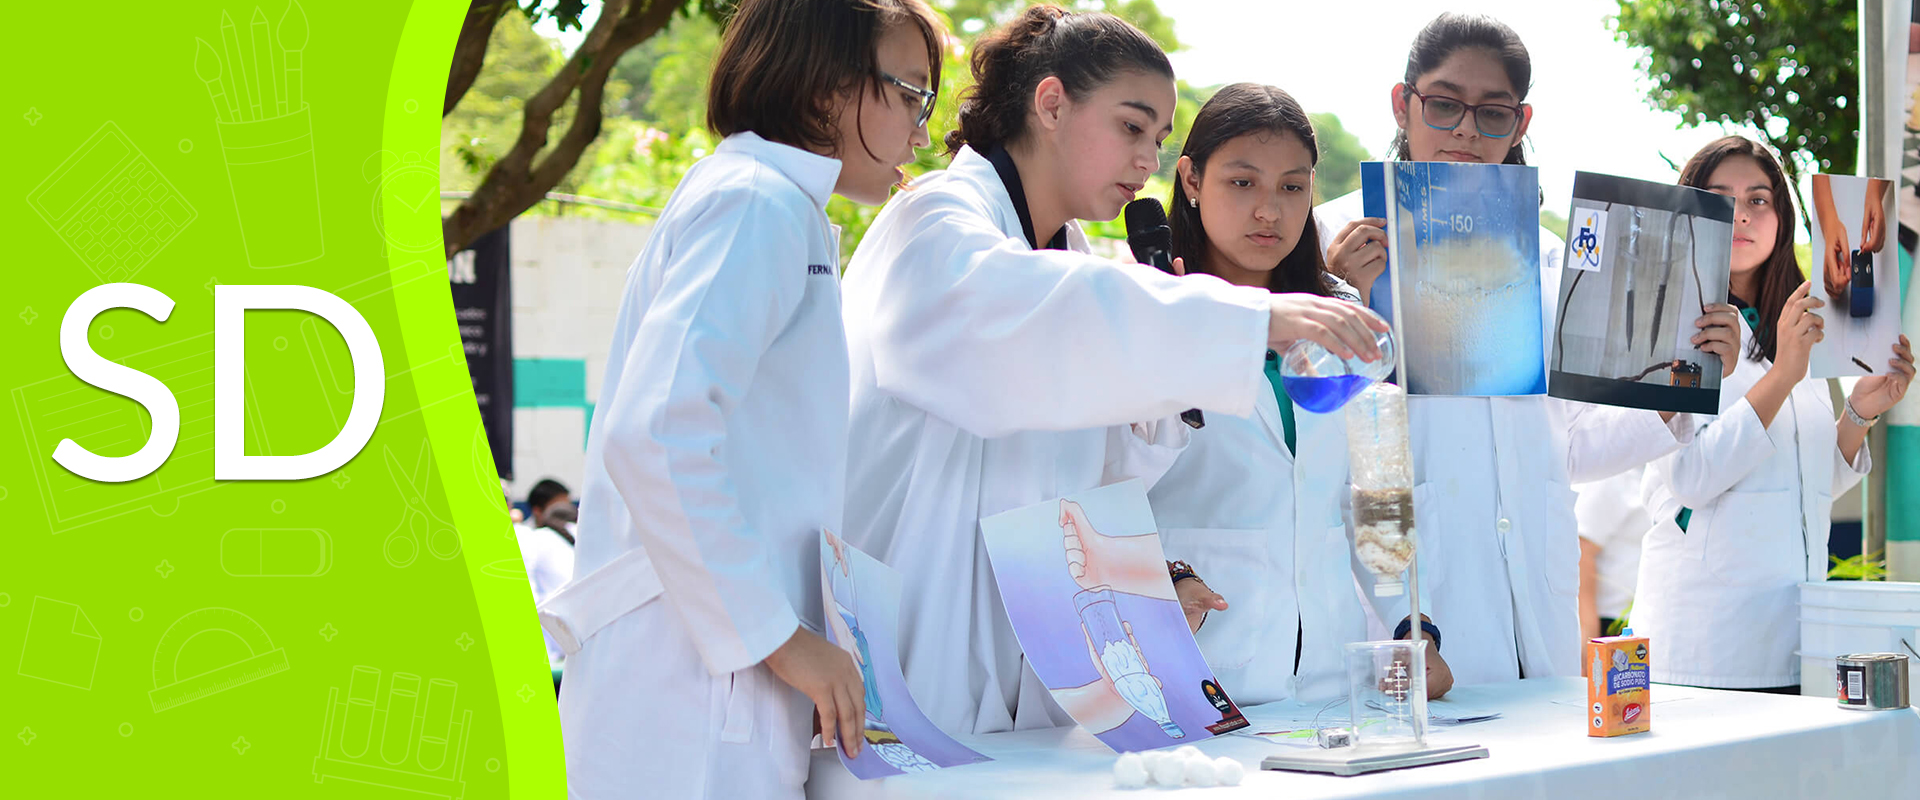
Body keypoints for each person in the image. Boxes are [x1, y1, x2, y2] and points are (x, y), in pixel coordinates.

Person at [840, 5, 1389, 736]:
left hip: (1029, 682)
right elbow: (1016, 329)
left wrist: (1154, 572)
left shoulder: (1066, 260)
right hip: (918, 658)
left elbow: (1092, 479)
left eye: (1157, 139)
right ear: (1051, 103)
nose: (1146, 162)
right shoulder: (938, 222)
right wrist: (1248, 317)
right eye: (1131, 127)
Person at [535, 1, 948, 796]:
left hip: (717, 678)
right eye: (911, 95)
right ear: (830, 88)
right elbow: (655, 431)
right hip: (692, 697)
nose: (920, 132)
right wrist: (778, 637)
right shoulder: (755, 204)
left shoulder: (771, 204)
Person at [1312, 12, 1743, 685]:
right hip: (1407, 608)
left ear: (1520, 122)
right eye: (1444, 105)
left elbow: (1565, 448)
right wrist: (1344, 303)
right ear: (1404, 103)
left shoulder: (1550, 262)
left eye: (1492, 115)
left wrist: (1686, 386)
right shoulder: (1331, 241)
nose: (1464, 131)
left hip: (1533, 606)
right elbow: (1311, 443)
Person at [1144, 83, 1416, 704]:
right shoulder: (1152, 309)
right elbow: (1102, 491)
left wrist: (1412, 625)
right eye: (1243, 183)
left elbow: (1379, 499)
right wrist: (1166, 575)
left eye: (1292, 187)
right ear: (1190, 179)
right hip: (1191, 664)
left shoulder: (1345, 321)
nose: (1270, 210)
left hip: (1328, 672)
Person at [1636, 136, 1915, 691]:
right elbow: (1691, 476)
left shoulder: (1794, 327)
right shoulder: (1672, 322)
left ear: (1783, 219)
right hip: (1708, 646)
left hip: (1797, 639)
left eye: (1759, 199)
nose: (1740, 214)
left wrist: (1859, 413)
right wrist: (1783, 375)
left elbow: (1806, 486)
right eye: (1719, 196)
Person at [1573, 467, 1652, 644]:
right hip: (1609, 624)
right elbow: (1581, 549)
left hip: (1638, 621)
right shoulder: (1613, 477)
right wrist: (1587, 632)